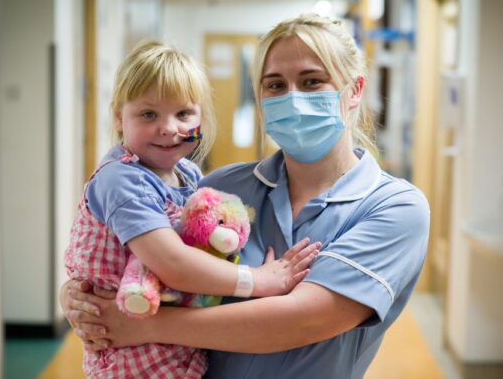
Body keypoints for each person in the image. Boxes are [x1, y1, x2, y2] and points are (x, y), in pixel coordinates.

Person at [63, 14, 430, 379]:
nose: (292, 98)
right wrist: (79, 295)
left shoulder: (394, 207)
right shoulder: (219, 189)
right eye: (275, 86)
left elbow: (302, 321)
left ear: (355, 91)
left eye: (312, 81)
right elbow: (151, 257)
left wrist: (146, 327)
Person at [64, 40, 319, 378]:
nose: (169, 128)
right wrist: (256, 281)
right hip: (129, 356)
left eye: (184, 114)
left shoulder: (188, 175)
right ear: (118, 117)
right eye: (148, 114)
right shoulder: (121, 179)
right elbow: (172, 264)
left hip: (174, 349)